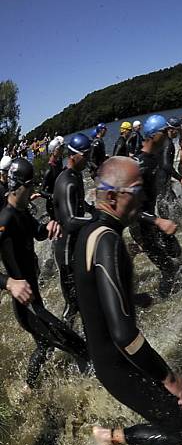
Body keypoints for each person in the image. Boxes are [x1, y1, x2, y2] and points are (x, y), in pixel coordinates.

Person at [72, 156, 182, 445]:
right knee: (179, 432)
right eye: (138, 192)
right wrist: (168, 376)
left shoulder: (89, 232)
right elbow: (124, 334)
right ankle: (109, 436)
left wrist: (132, 298)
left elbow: (86, 292)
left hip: (109, 359)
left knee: (179, 408)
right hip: (118, 364)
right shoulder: (108, 242)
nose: (144, 198)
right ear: (112, 197)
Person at [0, 158, 90, 390]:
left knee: (45, 345)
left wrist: (49, 226)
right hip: (27, 305)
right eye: (31, 186)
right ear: (19, 186)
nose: (33, 192)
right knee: (79, 346)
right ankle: (92, 390)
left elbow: (37, 232)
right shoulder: (5, 218)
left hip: (33, 299)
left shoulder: (20, 212)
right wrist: (9, 283)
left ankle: (28, 388)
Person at [131, 115, 182, 297]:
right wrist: (158, 221)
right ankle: (164, 305)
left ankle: (134, 249)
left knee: (175, 251)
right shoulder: (140, 165)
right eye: (164, 131)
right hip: (141, 226)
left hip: (150, 222)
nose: (168, 134)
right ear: (154, 135)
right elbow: (129, 208)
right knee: (169, 268)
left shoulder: (153, 159)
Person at [51, 133, 94, 324]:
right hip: (66, 249)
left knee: (87, 291)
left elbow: (79, 204)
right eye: (86, 154)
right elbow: (69, 221)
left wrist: (94, 210)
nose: (89, 157)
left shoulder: (76, 176)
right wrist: (95, 221)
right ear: (73, 156)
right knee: (72, 304)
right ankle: (64, 344)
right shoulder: (66, 181)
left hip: (75, 244)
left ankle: (88, 332)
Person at [157, 117, 182, 222]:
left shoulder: (161, 140)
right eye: (178, 130)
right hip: (162, 182)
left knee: (174, 207)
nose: (179, 133)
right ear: (171, 129)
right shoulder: (168, 144)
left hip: (160, 180)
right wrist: (180, 178)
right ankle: (166, 230)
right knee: (167, 209)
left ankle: (171, 227)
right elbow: (166, 165)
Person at [41, 136, 65, 219]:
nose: (62, 150)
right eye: (59, 149)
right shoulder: (49, 170)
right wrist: (51, 196)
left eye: (62, 148)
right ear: (53, 151)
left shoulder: (59, 162)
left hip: (60, 199)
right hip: (52, 205)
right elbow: (41, 191)